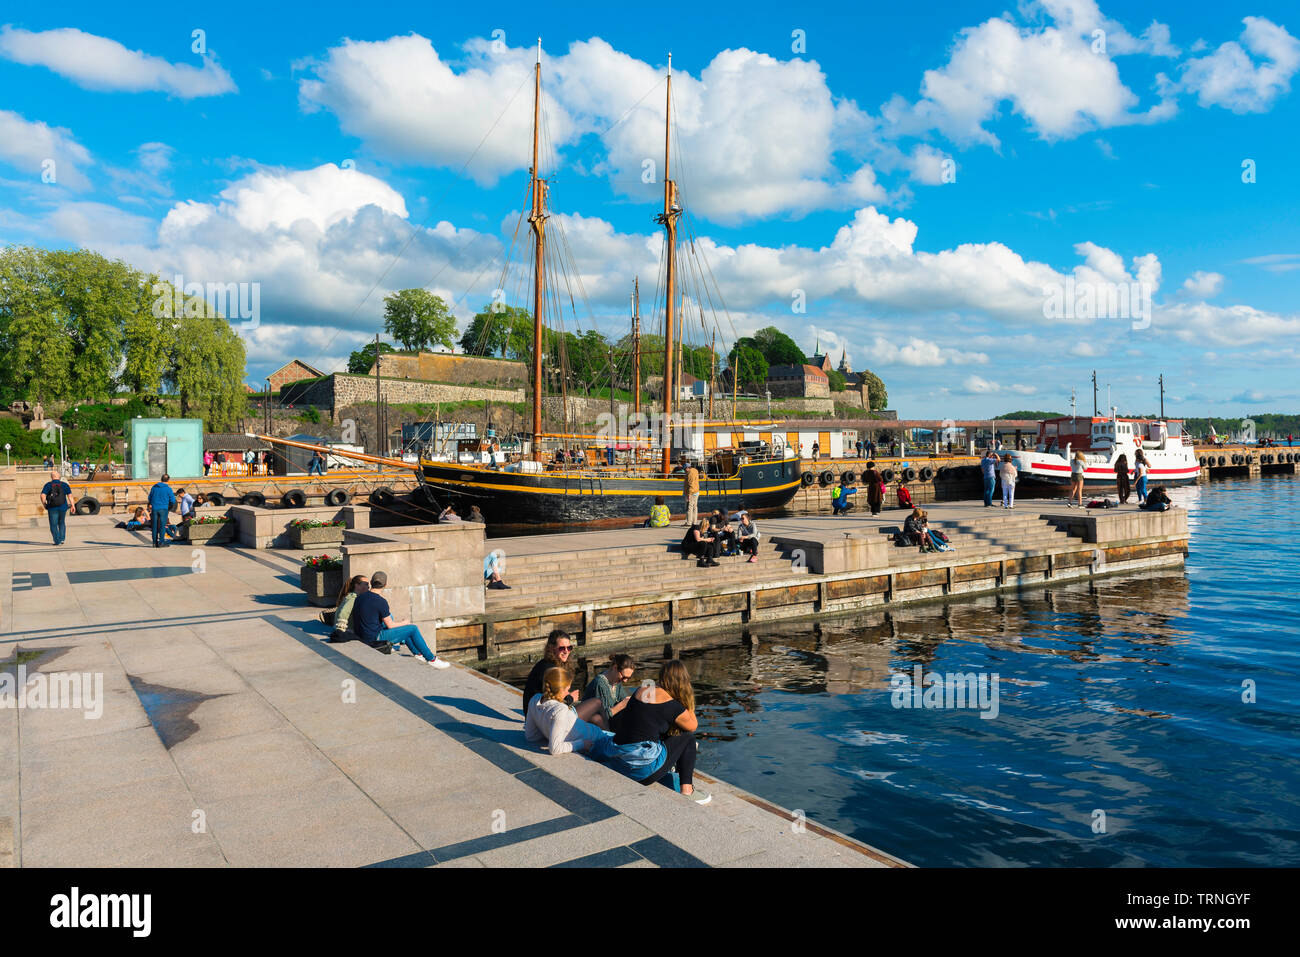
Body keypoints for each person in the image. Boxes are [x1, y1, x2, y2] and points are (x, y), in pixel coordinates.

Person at [608, 660, 711, 804]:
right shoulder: (672, 706)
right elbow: (693, 725)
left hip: (619, 762)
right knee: (687, 738)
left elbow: (649, 718)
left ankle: (669, 771)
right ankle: (688, 791)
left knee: (657, 731)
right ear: (683, 681)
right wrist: (687, 698)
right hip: (641, 773)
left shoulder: (643, 689)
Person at [350, 571, 450, 667]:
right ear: (385, 584)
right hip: (374, 638)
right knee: (412, 628)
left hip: (361, 635)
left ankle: (418, 654)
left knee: (403, 630)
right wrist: (404, 622)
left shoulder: (360, 597)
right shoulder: (381, 601)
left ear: (371, 583)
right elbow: (390, 625)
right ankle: (431, 659)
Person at [526, 667, 619, 757]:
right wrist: (582, 744)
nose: (568, 693)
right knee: (629, 747)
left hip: (595, 733)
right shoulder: (560, 710)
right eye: (567, 689)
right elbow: (554, 749)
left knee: (597, 718)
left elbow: (530, 736)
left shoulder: (535, 699)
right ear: (560, 690)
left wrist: (547, 730)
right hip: (597, 739)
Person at [521, 630, 606, 725]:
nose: (566, 651)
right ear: (551, 648)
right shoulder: (550, 670)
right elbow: (551, 703)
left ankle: (609, 737)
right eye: (562, 648)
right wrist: (570, 698)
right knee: (597, 703)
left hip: (539, 716)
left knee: (596, 718)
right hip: (543, 719)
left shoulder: (547, 664)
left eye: (569, 648)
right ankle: (611, 737)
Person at [583, 654, 637, 726]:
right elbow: (601, 717)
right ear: (615, 668)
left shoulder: (616, 681)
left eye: (628, 678)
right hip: (591, 726)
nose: (625, 681)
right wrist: (621, 705)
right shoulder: (600, 683)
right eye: (624, 677)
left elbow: (623, 699)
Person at [326, 574, 369, 643]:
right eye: (366, 584)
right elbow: (343, 612)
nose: (368, 586)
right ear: (357, 585)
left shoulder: (351, 595)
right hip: (348, 630)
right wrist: (340, 630)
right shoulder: (353, 598)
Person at [40, 469, 73, 546]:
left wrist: (44, 504)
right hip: (63, 507)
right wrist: (73, 505)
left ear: (51, 477)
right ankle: (62, 539)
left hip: (52, 508)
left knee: (53, 525)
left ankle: (57, 541)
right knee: (61, 523)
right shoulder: (65, 485)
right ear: (59, 476)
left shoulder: (48, 485)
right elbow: (70, 496)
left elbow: (42, 495)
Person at [146, 473, 176, 548]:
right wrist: (169, 505)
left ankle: (154, 542)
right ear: (168, 480)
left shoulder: (154, 487)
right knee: (162, 526)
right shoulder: (168, 489)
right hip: (164, 509)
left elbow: (149, 498)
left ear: (161, 479)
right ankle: (161, 542)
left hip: (155, 508)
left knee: (154, 526)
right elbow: (173, 500)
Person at [682, 459, 700, 527]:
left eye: (684, 469)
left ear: (687, 468)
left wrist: (689, 494)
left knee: (689, 507)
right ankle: (694, 522)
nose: (684, 471)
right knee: (695, 507)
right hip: (696, 491)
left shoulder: (690, 473)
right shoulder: (695, 470)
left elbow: (691, 484)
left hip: (691, 492)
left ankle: (689, 522)